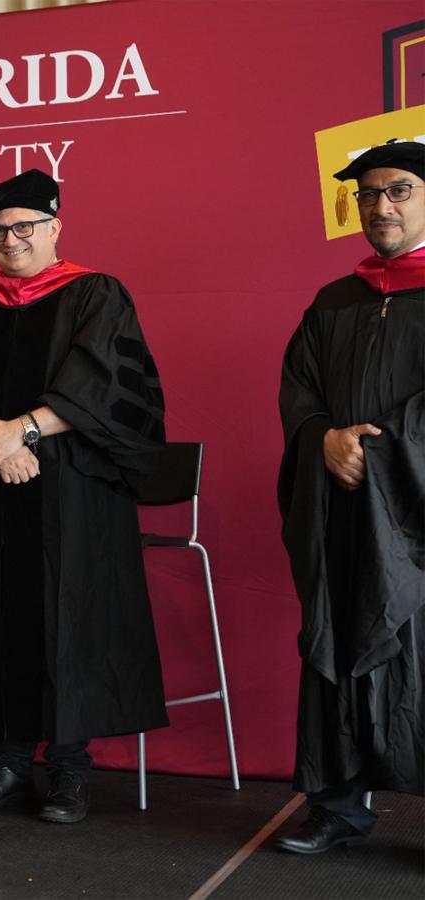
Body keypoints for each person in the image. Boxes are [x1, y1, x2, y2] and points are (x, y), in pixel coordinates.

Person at [0, 169, 167, 824]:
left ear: (55, 228)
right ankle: (6, 760)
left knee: (70, 615)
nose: (12, 240)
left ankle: (70, 769)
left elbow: (103, 387)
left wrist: (19, 430)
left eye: (25, 227)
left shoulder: (95, 294)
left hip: (75, 487)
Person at [274, 139, 425, 854]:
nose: (381, 205)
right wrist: (323, 439)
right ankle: (336, 807)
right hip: (339, 510)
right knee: (333, 639)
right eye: (369, 194)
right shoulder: (335, 300)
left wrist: (381, 449)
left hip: (416, 520)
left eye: (398, 190)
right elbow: (299, 390)